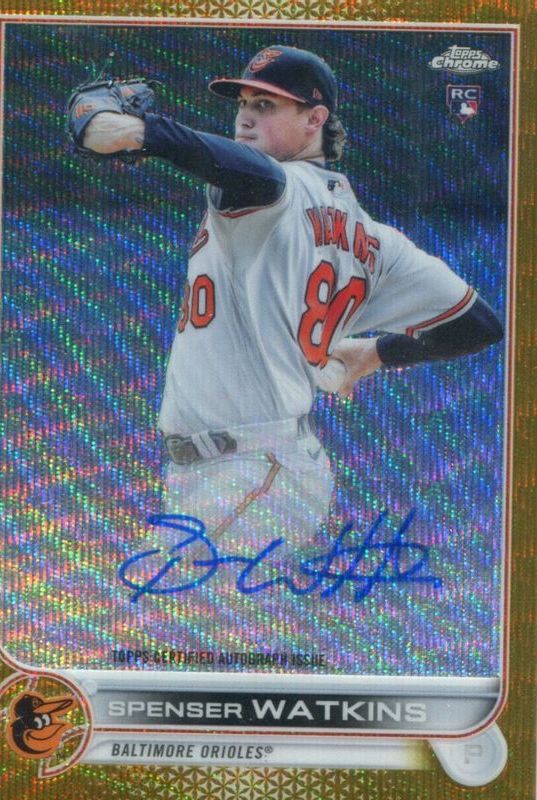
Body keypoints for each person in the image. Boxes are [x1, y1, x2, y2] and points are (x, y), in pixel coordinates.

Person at [80, 45, 503, 591]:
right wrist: (376, 352)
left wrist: (137, 130)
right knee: (191, 624)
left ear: (315, 118)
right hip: (249, 469)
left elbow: (237, 169)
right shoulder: (378, 240)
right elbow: (478, 326)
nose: (245, 116)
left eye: (267, 104)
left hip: (256, 470)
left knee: (156, 607)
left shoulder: (271, 187)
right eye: (243, 103)